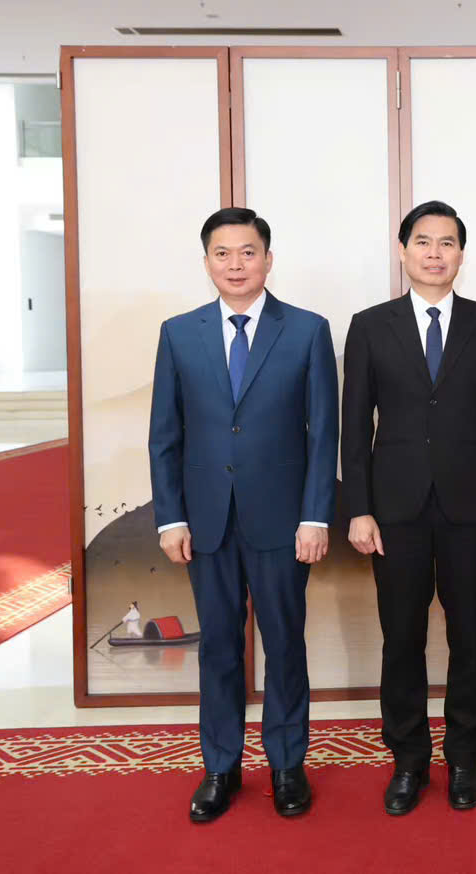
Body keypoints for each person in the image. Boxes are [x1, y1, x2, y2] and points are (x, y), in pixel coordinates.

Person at [148, 207, 338, 822]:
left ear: (268, 259)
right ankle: (220, 767)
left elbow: (323, 434)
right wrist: (170, 519)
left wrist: (316, 516)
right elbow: (165, 436)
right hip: (205, 521)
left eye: (248, 252)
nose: (236, 264)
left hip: (284, 521)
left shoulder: (307, 330)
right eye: (223, 254)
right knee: (219, 647)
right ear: (206, 261)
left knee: (284, 643)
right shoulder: (179, 333)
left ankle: (287, 765)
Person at [341, 200, 476, 815]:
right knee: (402, 638)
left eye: (447, 243)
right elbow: (353, 426)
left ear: (461, 254)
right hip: (394, 509)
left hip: (472, 508)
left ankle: (465, 757)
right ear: (403, 251)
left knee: (471, 636)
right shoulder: (370, 326)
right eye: (423, 241)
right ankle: (409, 761)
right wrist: (358, 508)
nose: (435, 253)